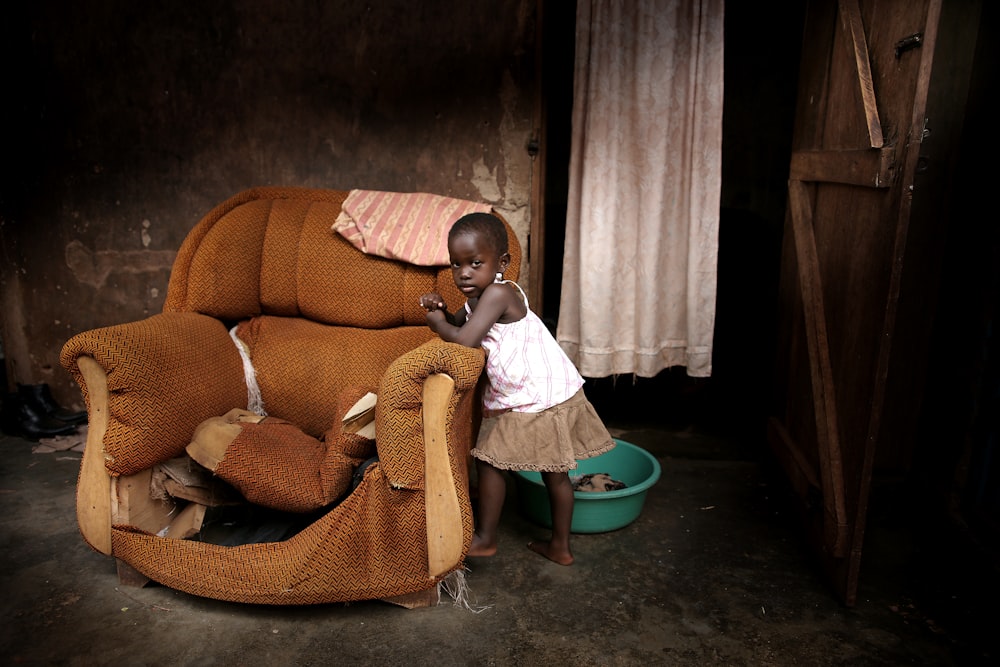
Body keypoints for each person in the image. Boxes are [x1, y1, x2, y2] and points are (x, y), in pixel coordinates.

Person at [419, 212, 615, 565]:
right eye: (456, 265)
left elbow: (463, 341)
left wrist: (436, 324)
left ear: (502, 263)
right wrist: (441, 311)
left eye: (475, 263)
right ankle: (559, 547)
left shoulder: (499, 293)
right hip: (543, 392)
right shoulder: (477, 300)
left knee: (493, 463)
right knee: (555, 474)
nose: (464, 273)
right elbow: (458, 325)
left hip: (539, 396)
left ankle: (486, 537)